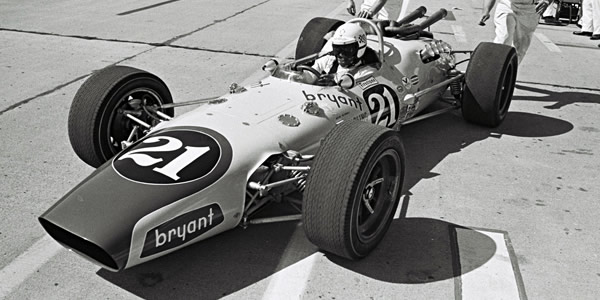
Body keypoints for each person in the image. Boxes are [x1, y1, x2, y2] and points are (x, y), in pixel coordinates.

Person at [308, 23, 378, 83]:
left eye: (346, 50)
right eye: (337, 49)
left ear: (359, 49)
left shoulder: (367, 71)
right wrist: (301, 77)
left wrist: (334, 81)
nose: (340, 55)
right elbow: (310, 74)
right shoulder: (330, 59)